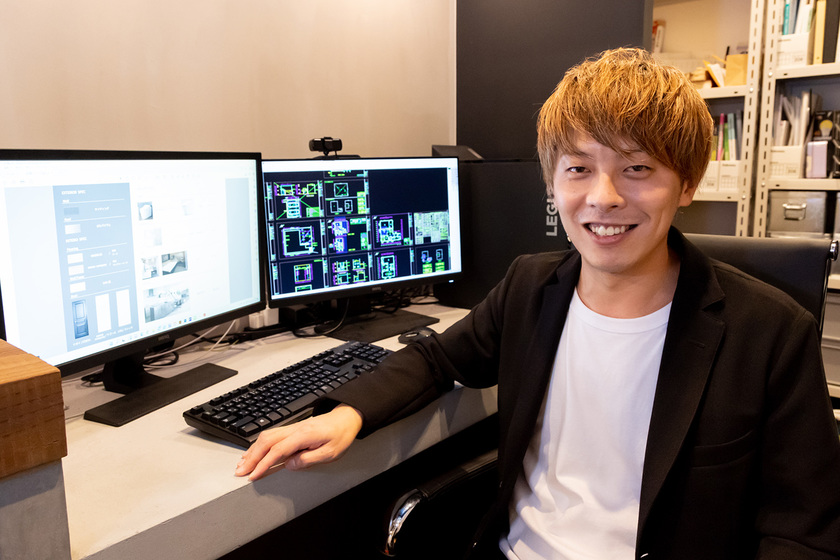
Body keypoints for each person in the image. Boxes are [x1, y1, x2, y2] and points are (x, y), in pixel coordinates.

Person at [236, 48, 840, 559]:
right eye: (579, 168)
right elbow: (437, 358)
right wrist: (348, 413)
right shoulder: (531, 286)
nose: (603, 197)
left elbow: (802, 533)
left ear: (687, 184)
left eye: (637, 168)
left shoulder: (768, 331)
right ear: (552, 183)